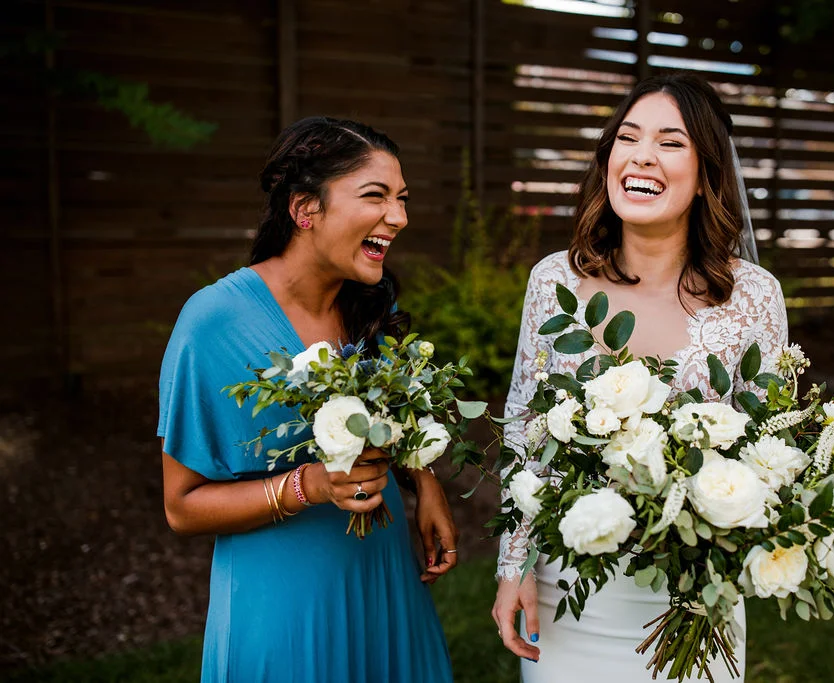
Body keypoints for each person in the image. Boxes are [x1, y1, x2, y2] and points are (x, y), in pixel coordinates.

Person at [491, 73, 789, 681]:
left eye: (670, 142)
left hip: (696, 598)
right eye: (627, 137)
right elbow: (524, 432)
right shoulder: (555, 283)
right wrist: (513, 565)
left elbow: (774, 446)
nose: (642, 155)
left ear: (708, 175)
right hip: (567, 590)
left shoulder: (754, 297)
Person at [158, 117, 457, 683]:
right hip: (285, 595)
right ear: (304, 209)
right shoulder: (212, 322)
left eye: (402, 199)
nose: (399, 217)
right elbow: (181, 507)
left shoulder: (365, 306)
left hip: (384, 571)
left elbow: (387, 420)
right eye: (376, 196)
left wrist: (425, 481)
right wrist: (310, 486)